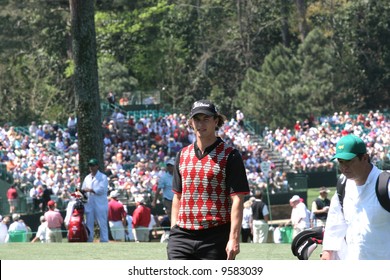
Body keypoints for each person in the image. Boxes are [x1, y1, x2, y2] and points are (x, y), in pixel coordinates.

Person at [168, 100, 250, 260]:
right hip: (181, 237)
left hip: (215, 236)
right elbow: (177, 196)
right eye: (197, 119)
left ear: (216, 121)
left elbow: (238, 200)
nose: (201, 124)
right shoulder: (182, 155)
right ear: (191, 122)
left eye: (206, 118)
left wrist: (233, 238)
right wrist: (173, 231)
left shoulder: (231, 155)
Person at [321, 134, 390, 260]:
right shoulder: (342, 185)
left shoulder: (385, 184)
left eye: (349, 161)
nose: (344, 167)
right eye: (340, 162)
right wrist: (328, 251)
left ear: (364, 158)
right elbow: (335, 220)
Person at [81, 158, 109, 242]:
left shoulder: (103, 177)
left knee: (102, 224)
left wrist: (90, 190)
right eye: (90, 165)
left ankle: (104, 241)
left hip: (100, 204)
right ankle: (89, 240)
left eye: (93, 165)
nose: (91, 167)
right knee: (89, 224)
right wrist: (80, 193)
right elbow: (83, 189)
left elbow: (102, 189)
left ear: (97, 166)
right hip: (89, 204)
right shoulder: (87, 178)